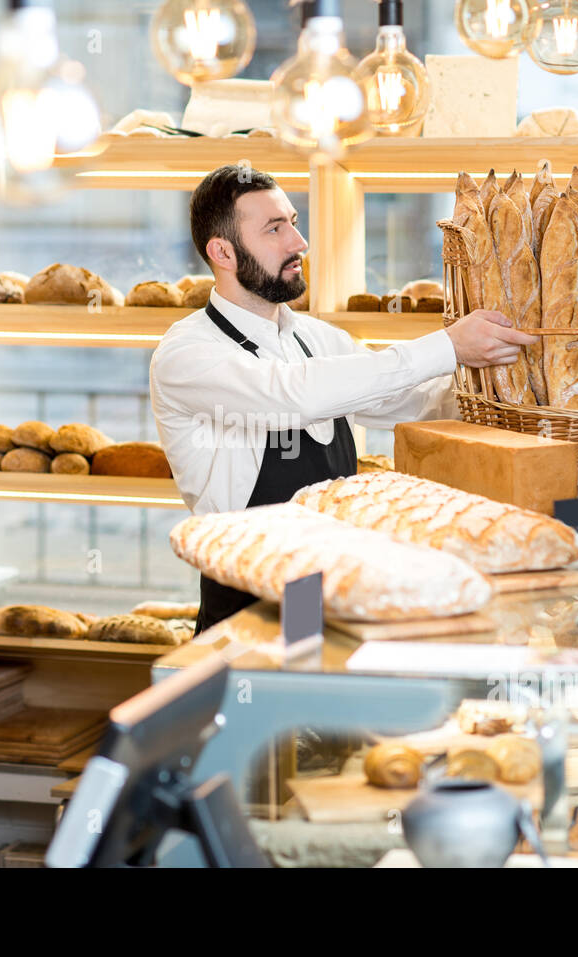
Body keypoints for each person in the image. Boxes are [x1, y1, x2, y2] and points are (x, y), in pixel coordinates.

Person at [149, 164, 537, 634]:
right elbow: (293, 396)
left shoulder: (315, 337)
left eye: (293, 221)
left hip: (338, 595)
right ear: (222, 252)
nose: (299, 242)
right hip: (247, 613)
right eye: (275, 229)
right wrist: (448, 346)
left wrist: (517, 386)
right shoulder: (187, 353)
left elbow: (415, 402)